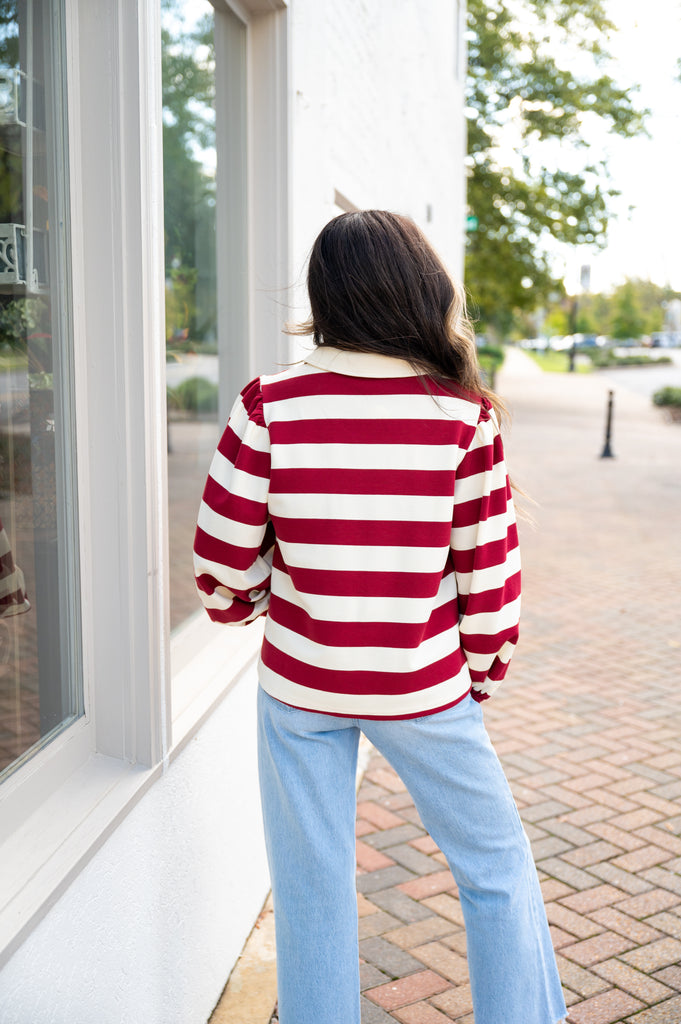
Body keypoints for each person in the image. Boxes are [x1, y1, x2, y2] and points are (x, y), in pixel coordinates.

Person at [193, 210, 567, 1024]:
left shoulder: (268, 406)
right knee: (495, 867)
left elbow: (220, 569)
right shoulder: (461, 419)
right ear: (420, 289)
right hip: (423, 684)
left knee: (310, 883)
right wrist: (477, 673)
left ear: (326, 295)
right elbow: (488, 580)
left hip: (301, 687)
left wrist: (261, 598)